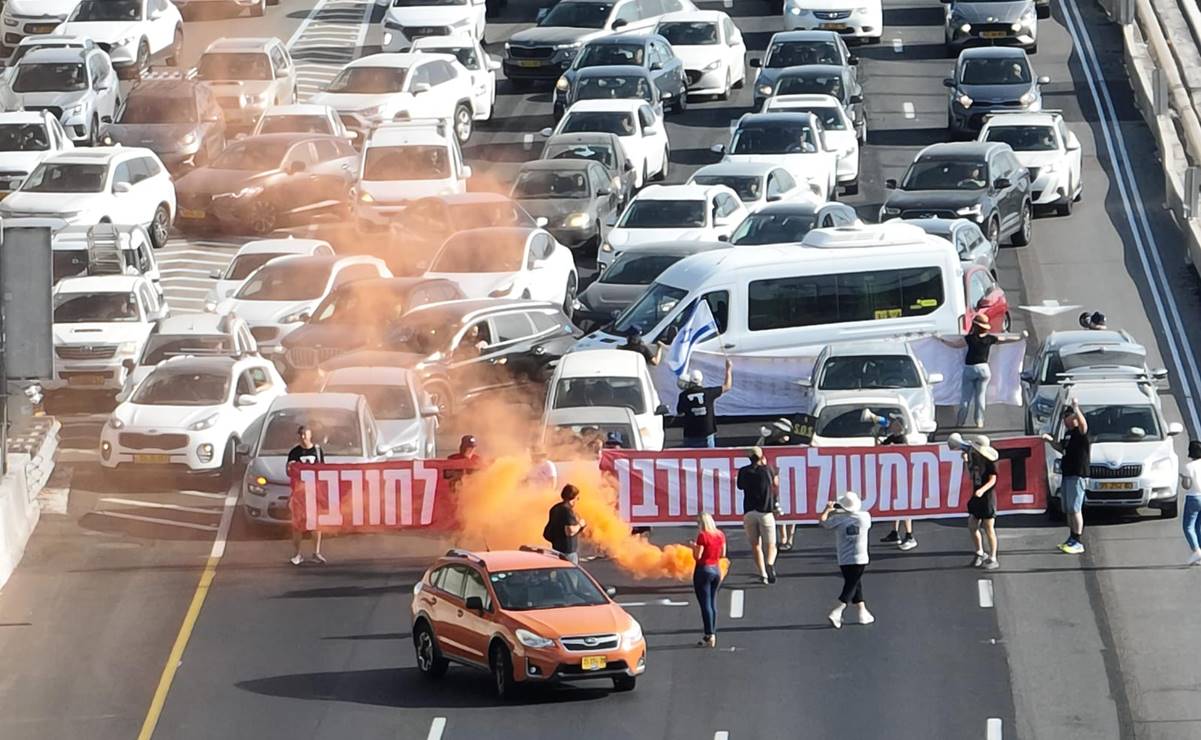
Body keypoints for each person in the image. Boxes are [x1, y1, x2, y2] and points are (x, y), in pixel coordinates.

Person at [938, 315, 1026, 428]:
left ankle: (961, 421)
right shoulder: (990, 338)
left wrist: (941, 339)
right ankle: (979, 421)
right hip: (984, 369)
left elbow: (955, 345)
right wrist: (1020, 337)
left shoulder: (969, 338)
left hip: (970, 368)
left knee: (965, 397)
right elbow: (1005, 340)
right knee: (980, 396)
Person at [819, 491, 873, 629]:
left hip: (844, 558)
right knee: (851, 585)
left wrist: (828, 510)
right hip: (860, 557)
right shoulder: (865, 517)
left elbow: (823, 522)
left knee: (855, 583)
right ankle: (837, 611)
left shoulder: (838, 519)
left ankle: (862, 612)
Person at [1042, 400, 1090, 554]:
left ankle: (1078, 541)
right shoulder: (1068, 434)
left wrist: (1076, 407)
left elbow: (1084, 425)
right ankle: (1071, 537)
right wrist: (1049, 441)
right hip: (1067, 474)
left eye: (1066, 417)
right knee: (1068, 509)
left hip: (1077, 474)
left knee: (1076, 509)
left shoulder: (1080, 433)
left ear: (1073, 418)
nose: (1064, 421)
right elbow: (1061, 447)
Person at [875, 415, 917, 551]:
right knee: (894, 505)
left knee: (903, 507)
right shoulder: (892, 438)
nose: (891, 424)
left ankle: (910, 536)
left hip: (903, 479)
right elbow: (878, 449)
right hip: (893, 478)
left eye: (894, 422)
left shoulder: (901, 440)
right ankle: (895, 533)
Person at [737, 446, 778, 584]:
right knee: (771, 545)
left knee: (755, 545)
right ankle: (770, 564)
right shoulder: (768, 470)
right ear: (762, 457)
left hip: (749, 511)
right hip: (765, 512)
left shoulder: (743, 471)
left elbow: (740, 486)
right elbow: (775, 483)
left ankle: (762, 573)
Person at [287, 426, 325, 566]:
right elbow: (288, 472)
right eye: (301, 434)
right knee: (298, 525)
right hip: (299, 494)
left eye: (305, 434)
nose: (303, 437)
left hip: (314, 492)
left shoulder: (317, 450)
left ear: (311, 434)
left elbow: (323, 470)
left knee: (315, 524)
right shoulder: (294, 452)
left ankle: (316, 552)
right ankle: (297, 554)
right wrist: (291, 467)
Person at [676, 359, 734, 448]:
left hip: (690, 434)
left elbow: (680, 413)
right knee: (709, 458)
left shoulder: (683, 395)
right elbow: (727, 386)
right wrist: (728, 369)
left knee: (690, 460)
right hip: (707, 432)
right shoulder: (709, 393)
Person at [963, 435, 1000, 569]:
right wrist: (967, 463)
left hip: (987, 499)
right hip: (976, 498)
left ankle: (993, 556)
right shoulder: (975, 459)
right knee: (972, 525)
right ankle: (979, 551)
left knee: (989, 528)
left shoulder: (990, 461)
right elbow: (972, 476)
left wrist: (982, 490)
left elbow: (993, 480)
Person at [690, 512, 726, 648]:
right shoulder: (720, 535)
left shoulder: (702, 536)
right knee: (712, 602)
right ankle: (712, 632)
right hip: (716, 570)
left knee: (705, 604)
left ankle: (709, 634)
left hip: (703, 570)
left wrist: (693, 547)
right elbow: (723, 554)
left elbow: (698, 557)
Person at [543, 484, 586, 564]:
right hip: (568, 552)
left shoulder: (555, 508)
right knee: (571, 575)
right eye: (577, 498)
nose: (578, 500)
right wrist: (580, 524)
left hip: (556, 549)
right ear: (573, 498)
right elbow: (569, 531)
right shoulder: (567, 511)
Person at [1179, 440, 1201, 565]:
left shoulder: (1188, 467)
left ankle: (1196, 550)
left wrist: (1183, 478)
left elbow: (1187, 486)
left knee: (1188, 526)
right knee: (1199, 526)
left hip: (1194, 497)